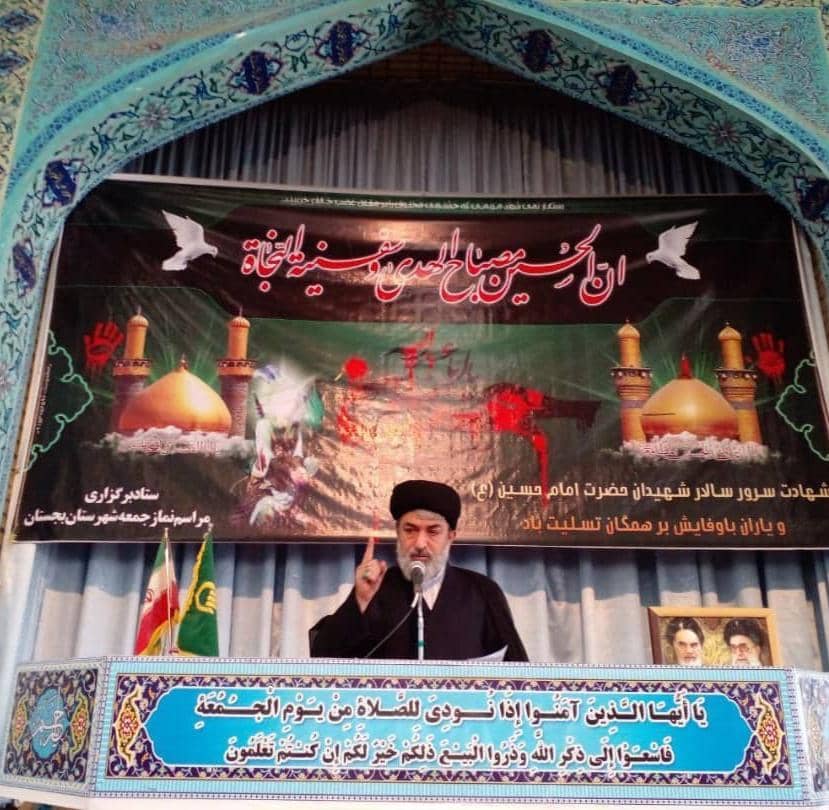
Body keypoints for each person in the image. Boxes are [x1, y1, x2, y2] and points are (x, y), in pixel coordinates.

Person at [310, 479, 528, 661]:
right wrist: (360, 600)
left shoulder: (482, 591)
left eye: (432, 531)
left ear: (450, 536)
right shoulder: (377, 588)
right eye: (410, 530)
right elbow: (323, 658)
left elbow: (518, 673)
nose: (420, 543)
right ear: (398, 532)